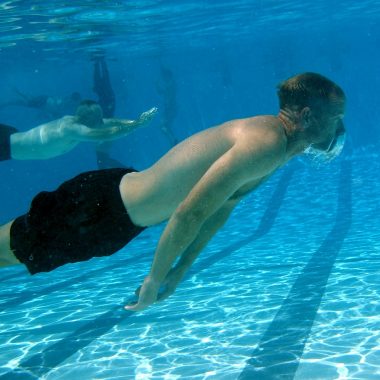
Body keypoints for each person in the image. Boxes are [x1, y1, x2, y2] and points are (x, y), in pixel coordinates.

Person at [0, 73, 346, 312]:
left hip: (116, 216)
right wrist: (154, 278)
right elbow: (190, 212)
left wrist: (179, 270)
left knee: (8, 252)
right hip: (98, 210)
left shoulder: (276, 146)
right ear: (306, 115)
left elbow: (218, 212)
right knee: (6, 252)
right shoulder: (266, 143)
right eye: (336, 117)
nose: (338, 127)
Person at [0, 100, 157, 160]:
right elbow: (104, 133)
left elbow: (110, 122)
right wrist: (137, 125)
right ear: (89, 120)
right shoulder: (71, 129)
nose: (102, 122)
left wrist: (136, 120)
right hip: (4, 146)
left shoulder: (82, 122)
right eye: (98, 120)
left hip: (10, 139)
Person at [0, 90, 82, 120]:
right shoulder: (68, 101)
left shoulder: (68, 100)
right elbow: (55, 107)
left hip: (45, 100)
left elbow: (55, 107)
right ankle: (7, 102)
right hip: (43, 102)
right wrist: (47, 114)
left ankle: (18, 93)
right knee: (26, 103)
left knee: (28, 101)